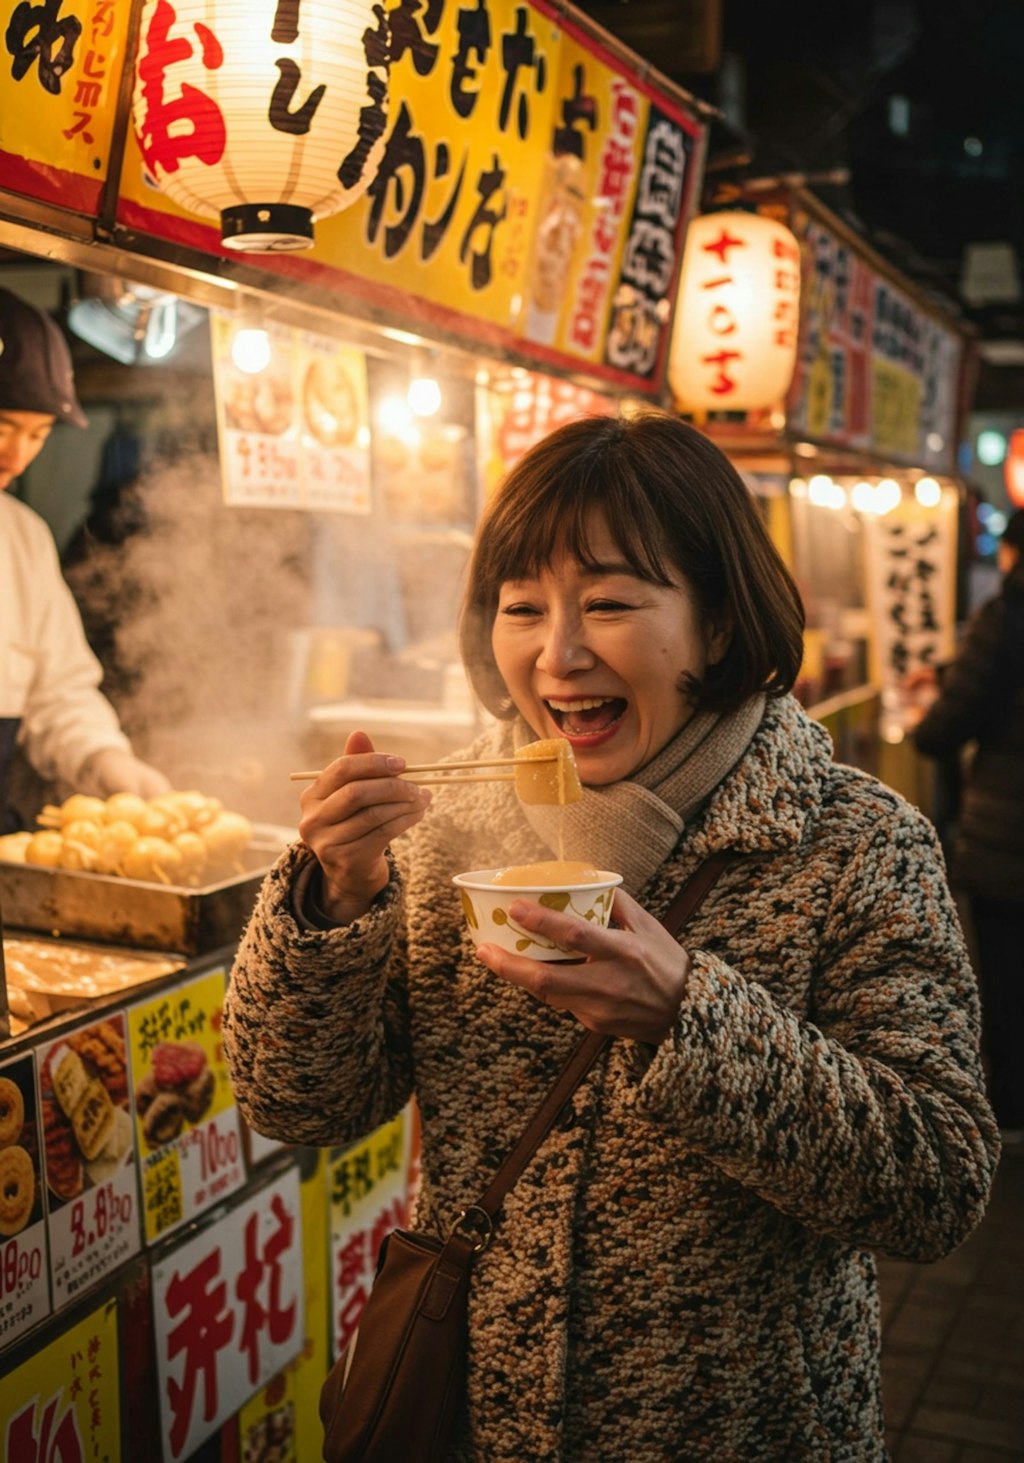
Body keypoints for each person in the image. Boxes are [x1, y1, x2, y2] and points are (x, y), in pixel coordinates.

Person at [223, 411, 999, 1460]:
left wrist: (687, 1016)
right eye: (521, 607)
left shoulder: (855, 844)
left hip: (747, 1422)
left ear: (717, 624)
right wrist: (332, 900)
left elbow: (938, 1182)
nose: (558, 651)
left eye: (610, 603)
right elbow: (299, 1104)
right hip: (481, 1413)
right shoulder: (444, 832)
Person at [0, 286, 169, 832]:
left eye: (37, 434)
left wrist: (106, 760)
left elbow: (59, 691)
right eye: (4, 428)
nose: (17, 455)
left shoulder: (21, 537)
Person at [911, 507, 1024, 1137]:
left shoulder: (1009, 612)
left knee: (1007, 976)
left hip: (1009, 836)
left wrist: (936, 710)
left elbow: (949, 726)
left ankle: (1012, 1112)